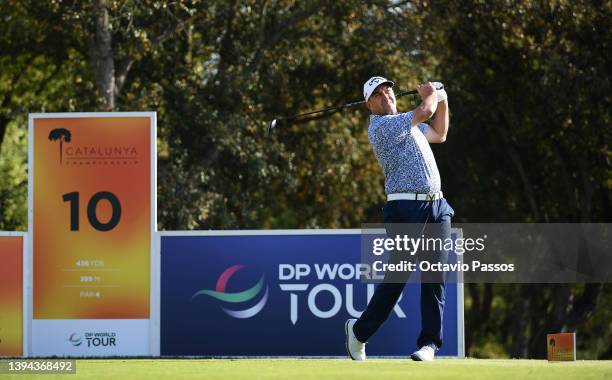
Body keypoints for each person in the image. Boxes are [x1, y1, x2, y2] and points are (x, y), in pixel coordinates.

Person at [345, 76, 454, 362]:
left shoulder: (410, 127)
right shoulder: (381, 127)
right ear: (370, 105)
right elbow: (425, 111)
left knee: (435, 276)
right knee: (399, 276)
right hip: (405, 209)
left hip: (437, 207)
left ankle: (429, 344)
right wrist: (432, 94)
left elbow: (440, 133)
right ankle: (359, 332)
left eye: (388, 91)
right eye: (378, 95)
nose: (386, 96)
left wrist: (443, 99)